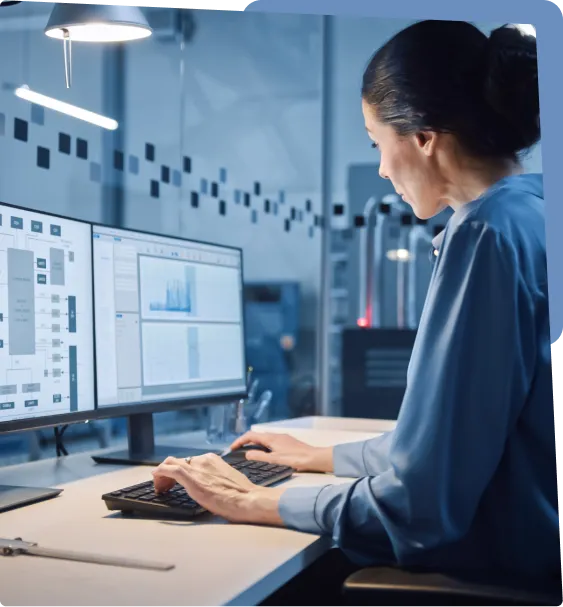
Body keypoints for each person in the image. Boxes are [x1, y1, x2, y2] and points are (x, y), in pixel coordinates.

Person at [152, 20, 560, 580]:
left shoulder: (487, 235)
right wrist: (319, 456)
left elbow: (420, 508)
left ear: (422, 137)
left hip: (508, 566)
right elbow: (452, 445)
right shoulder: (533, 215)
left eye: (377, 143)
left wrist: (254, 501)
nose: (382, 168)